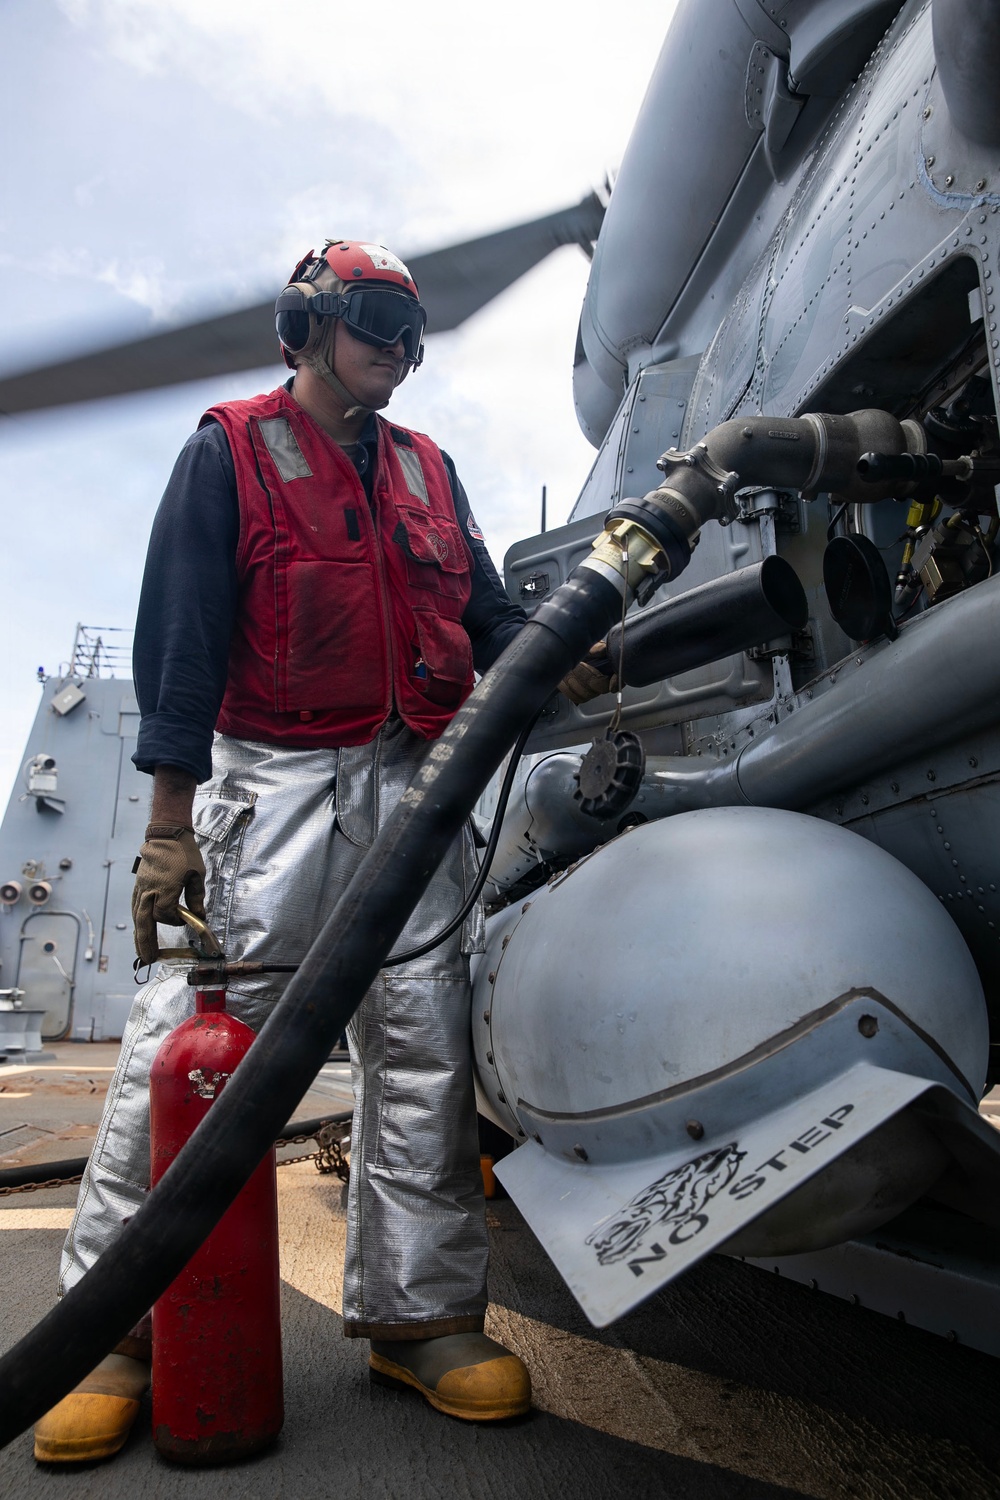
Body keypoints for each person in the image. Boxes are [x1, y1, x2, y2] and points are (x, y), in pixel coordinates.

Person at [33, 239, 533, 1464]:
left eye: (415, 332)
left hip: (417, 783)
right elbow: (183, 641)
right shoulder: (231, 450)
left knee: (420, 1045)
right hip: (270, 784)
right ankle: (119, 1334)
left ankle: (420, 1318)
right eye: (374, 320)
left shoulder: (427, 469)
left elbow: (483, 608)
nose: (398, 349)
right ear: (303, 326)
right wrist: (167, 828)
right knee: (192, 1049)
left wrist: (553, 648)